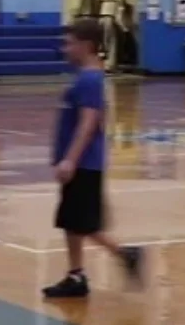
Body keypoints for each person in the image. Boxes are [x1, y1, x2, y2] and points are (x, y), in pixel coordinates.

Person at [42, 19, 143, 299]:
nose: (65, 48)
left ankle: (124, 254)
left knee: (83, 223)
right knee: (73, 221)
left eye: (69, 43)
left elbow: (89, 122)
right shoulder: (86, 77)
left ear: (86, 46)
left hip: (84, 165)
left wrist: (70, 160)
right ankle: (76, 275)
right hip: (81, 164)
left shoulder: (89, 80)